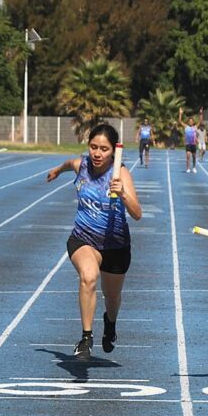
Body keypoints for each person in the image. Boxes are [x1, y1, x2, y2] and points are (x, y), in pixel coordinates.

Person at [45, 124, 143, 360]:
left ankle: (110, 323)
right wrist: (57, 170)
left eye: (104, 149)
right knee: (88, 276)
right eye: (93, 147)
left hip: (116, 245)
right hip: (84, 237)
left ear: (113, 151)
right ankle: (86, 338)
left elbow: (137, 214)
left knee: (112, 298)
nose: (97, 153)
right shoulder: (82, 165)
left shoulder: (121, 174)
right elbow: (69, 163)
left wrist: (123, 193)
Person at [178, 106, 203, 173]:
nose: (190, 122)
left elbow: (200, 121)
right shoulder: (186, 127)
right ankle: (188, 168)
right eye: (189, 121)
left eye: (192, 121)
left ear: (193, 122)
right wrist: (180, 113)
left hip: (193, 144)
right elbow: (180, 121)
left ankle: (194, 167)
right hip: (188, 144)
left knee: (194, 157)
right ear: (188, 122)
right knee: (188, 156)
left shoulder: (195, 127)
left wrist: (201, 113)